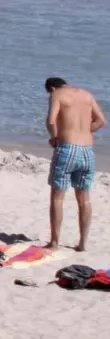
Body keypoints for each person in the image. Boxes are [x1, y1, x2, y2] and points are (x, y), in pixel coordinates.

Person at [45, 77, 105, 251]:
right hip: (87, 150)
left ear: (52, 88)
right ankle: (82, 244)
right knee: (84, 199)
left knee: (57, 197)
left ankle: (55, 242)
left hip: (68, 148)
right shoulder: (87, 95)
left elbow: (50, 121)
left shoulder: (57, 94)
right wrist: (85, 131)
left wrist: (55, 138)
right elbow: (101, 120)